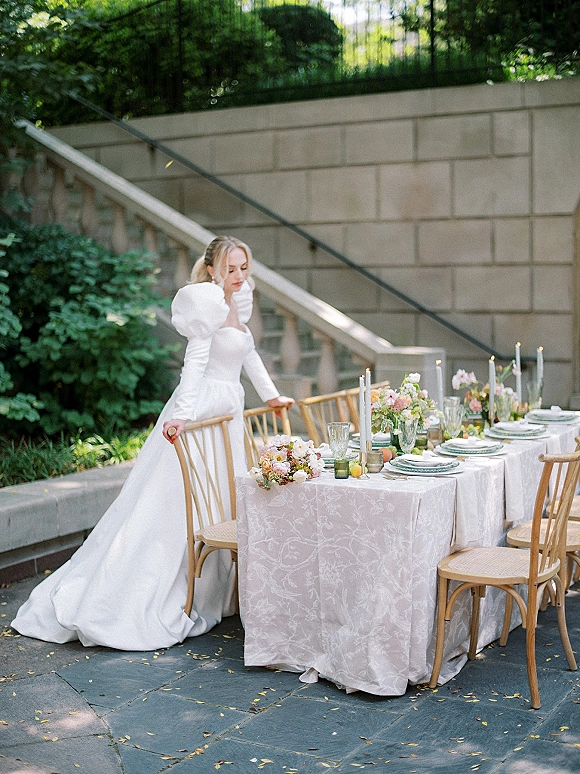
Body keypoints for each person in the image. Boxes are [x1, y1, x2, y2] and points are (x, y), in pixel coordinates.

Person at [12, 236, 294, 651]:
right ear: (213, 269)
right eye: (230, 268)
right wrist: (181, 414)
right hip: (203, 411)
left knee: (222, 498)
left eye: (243, 268)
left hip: (229, 413)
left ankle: (215, 589)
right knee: (178, 502)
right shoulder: (207, 305)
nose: (238, 276)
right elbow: (194, 365)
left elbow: (248, 354)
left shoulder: (240, 302)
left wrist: (270, 395)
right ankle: (145, 592)